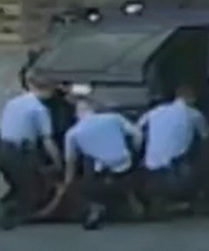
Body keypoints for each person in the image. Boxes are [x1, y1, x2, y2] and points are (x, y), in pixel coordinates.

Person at [0, 73, 64, 230]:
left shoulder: (13, 102)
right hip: (19, 153)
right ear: (51, 90)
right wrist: (57, 162)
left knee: (17, 186)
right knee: (31, 190)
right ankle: (4, 215)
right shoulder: (39, 110)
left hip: (0, 149)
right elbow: (48, 141)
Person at [56, 95, 144, 229]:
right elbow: (138, 134)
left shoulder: (72, 133)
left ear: (77, 114)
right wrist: (136, 153)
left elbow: (70, 162)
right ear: (94, 109)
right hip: (125, 167)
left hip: (98, 176)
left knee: (86, 157)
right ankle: (133, 200)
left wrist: (67, 184)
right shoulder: (114, 118)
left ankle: (94, 206)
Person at [137, 83, 209, 217]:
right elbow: (205, 135)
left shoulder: (155, 112)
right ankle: (191, 196)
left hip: (148, 171)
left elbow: (138, 128)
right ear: (192, 98)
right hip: (174, 174)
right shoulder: (194, 114)